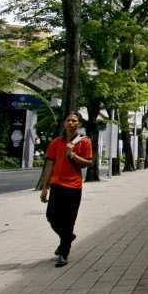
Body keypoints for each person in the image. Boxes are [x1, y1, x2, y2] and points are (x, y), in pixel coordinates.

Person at [40, 114, 93, 267]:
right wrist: (45, 188)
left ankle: (63, 253)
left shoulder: (84, 141)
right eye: (68, 120)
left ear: (79, 124)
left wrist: (73, 155)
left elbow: (88, 163)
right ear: (64, 123)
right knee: (52, 216)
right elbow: (49, 165)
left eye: (74, 120)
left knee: (69, 220)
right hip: (56, 185)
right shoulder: (56, 143)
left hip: (74, 186)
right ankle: (68, 237)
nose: (71, 123)